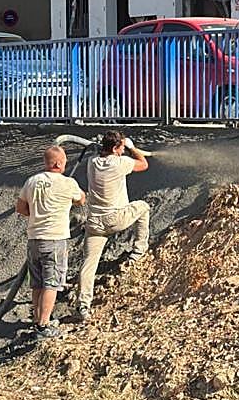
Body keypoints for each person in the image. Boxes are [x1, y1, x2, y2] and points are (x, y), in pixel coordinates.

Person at [74, 131, 150, 320]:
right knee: (143, 207)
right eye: (121, 148)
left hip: (94, 223)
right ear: (116, 149)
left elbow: (98, 153)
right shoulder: (120, 163)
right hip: (115, 219)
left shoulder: (92, 163)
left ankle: (83, 306)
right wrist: (132, 148)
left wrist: (113, 146)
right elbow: (144, 164)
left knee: (88, 265)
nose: (123, 150)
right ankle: (139, 249)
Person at [16, 145, 86, 340]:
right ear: (58, 163)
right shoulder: (68, 183)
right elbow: (81, 200)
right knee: (51, 284)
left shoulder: (32, 181)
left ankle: (38, 320)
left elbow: (21, 208)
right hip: (54, 240)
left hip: (34, 240)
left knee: (37, 284)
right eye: (64, 162)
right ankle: (44, 326)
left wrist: (37, 214)